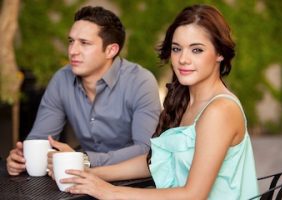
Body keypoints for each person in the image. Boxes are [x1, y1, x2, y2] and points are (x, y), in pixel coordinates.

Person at [60, 4, 260, 199]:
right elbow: (155, 161)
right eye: (176, 49)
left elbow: (194, 195)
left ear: (220, 53)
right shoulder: (185, 100)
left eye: (196, 50)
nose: (183, 59)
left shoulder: (220, 110)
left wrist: (108, 191)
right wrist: (93, 174)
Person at [6, 6, 161, 176]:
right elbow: (41, 139)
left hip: (133, 179)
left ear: (111, 50)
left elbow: (146, 149)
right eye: (71, 41)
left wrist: (84, 159)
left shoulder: (140, 82)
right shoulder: (61, 79)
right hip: (80, 176)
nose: (72, 51)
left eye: (84, 43)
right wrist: (22, 158)